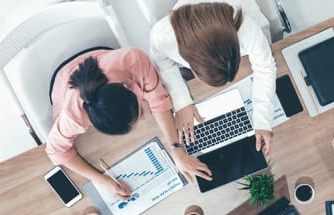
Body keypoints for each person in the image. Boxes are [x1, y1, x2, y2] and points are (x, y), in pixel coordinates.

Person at [46, 48, 211, 199]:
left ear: (129, 88)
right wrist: (101, 180)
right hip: (64, 84)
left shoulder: (134, 59)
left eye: (141, 113)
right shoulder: (73, 114)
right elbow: (55, 152)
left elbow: (158, 101)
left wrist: (177, 149)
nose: (143, 119)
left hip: (106, 59)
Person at [150, 0, 276, 155]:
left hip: (251, 45)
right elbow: (164, 65)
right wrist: (182, 102)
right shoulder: (163, 36)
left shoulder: (245, 26)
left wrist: (263, 122)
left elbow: (265, 67)